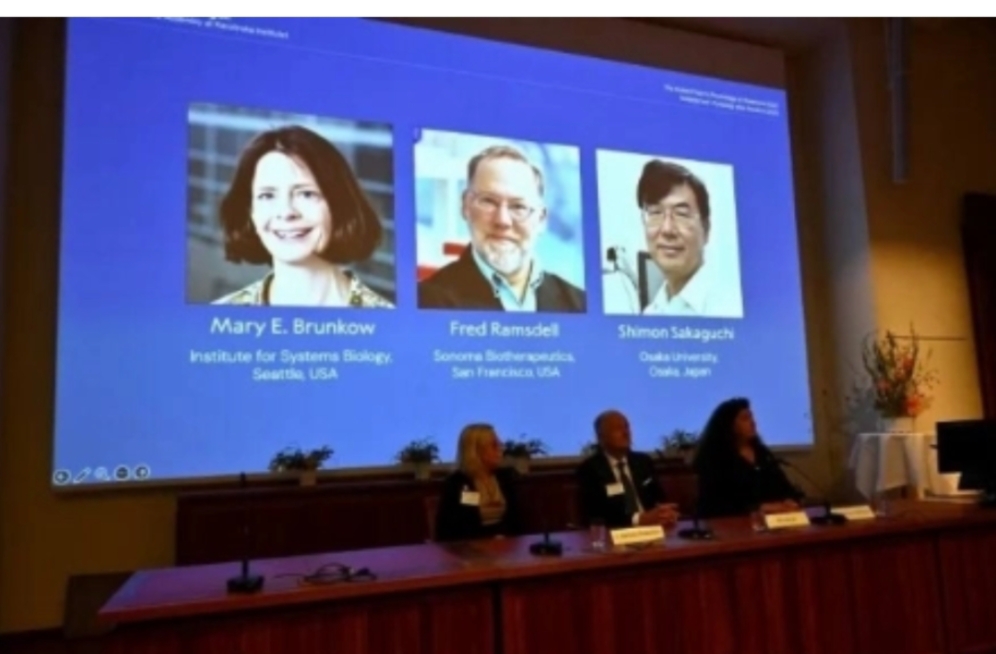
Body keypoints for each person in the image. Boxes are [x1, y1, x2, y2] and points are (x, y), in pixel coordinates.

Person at [213, 125, 392, 308]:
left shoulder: (384, 319)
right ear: (251, 212)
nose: (286, 212)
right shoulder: (221, 313)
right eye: (267, 195)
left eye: (306, 194)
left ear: (337, 205)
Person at [417, 145, 586, 313]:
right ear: (466, 207)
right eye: (488, 201)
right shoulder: (425, 301)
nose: (502, 220)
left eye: (518, 206)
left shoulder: (580, 304)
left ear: (541, 219)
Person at [601, 159, 740, 318]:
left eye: (681, 214)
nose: (667, 229)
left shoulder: (731, 305)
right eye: (655, 213)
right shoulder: (651, 314)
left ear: (706, 229)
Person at [692, 397, 803, 518]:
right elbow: (716, 504)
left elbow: (784, 487)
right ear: (728, 425)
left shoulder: (762, 454)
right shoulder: (714, 459)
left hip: (771, 522)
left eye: (752, 417)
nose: (753, 422)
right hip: (730, 524)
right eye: (745, 418)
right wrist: (759, 507)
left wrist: (788, 501)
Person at [576, 410, 679, 528]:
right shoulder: (589, 470)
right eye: (617, 428)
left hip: (652, 529)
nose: (625, 432)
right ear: (601, 437)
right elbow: (596, 514)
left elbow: (659, 498)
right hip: (616, 533)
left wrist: (665, 513)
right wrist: (639, 519)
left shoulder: (643, 462)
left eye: (626, 427)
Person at [435, 423, 523, 542]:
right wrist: (487, 541)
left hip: (506, 545)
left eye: (500, 444)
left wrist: (504, 538)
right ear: (475, 451)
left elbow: (517, 521)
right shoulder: (457, 483)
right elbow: (450, 529)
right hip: (471, 547)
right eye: (494, 445)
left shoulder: (505, 478)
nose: (501, 450)